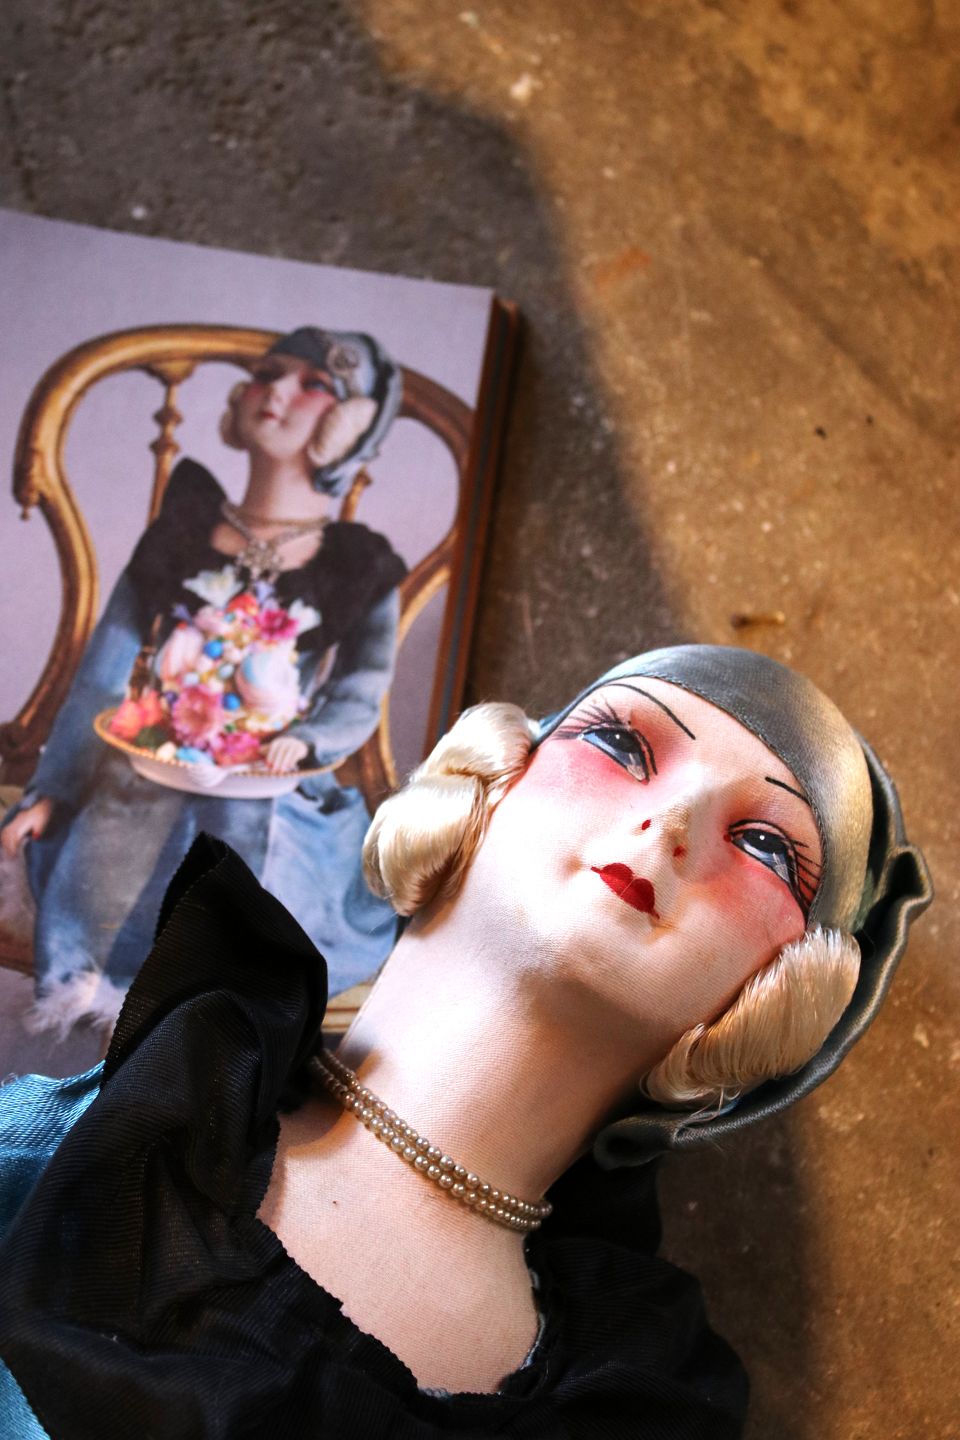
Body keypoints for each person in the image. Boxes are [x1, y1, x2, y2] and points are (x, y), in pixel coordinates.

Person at [0, 645, 931, 1437]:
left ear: (780, 994)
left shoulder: (629, 1410)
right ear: (493, 778)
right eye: (620, 744)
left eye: (765, 845)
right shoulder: (70, 1148)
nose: (673, 826)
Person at [1, 326, 407, 1038]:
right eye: (269, 373)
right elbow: (105, 668)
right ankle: (114, 1000)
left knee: (260, 886)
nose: (277, 392)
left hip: (269, 783)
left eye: (314, 385)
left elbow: (358, 689)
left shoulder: (357, 564)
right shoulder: (185, 526)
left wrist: (308, 739)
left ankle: (205, 1021)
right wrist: (54, 790)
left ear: (347, 424)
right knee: (109, 859)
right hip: (147, 770)